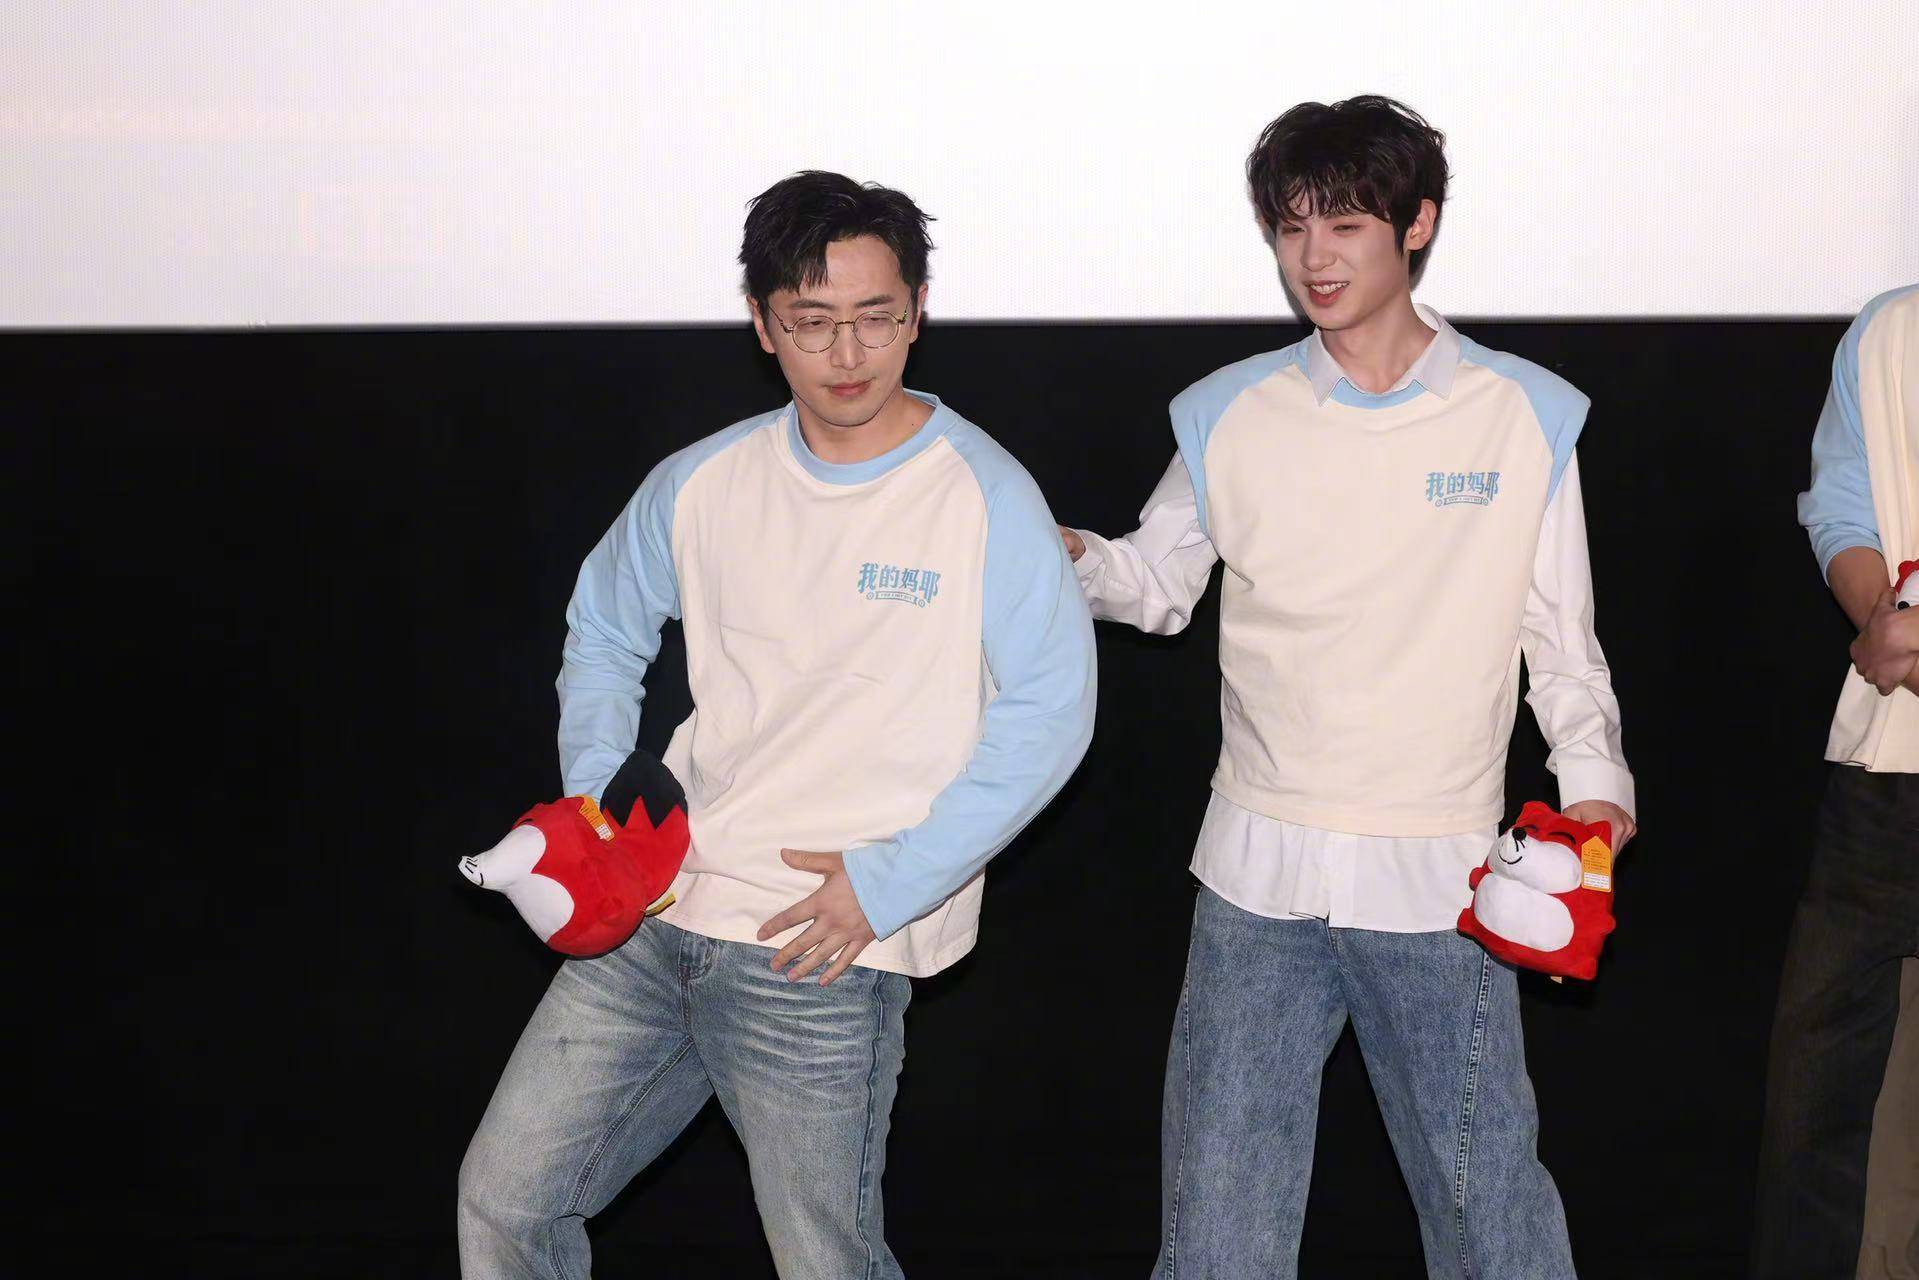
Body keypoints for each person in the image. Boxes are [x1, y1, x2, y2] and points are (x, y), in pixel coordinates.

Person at [457, 170, 1097, 1279]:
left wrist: (890, 883)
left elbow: (1051, 711)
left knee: (823, 1259)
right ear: (762, 323)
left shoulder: (982, 493)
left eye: (875, 318)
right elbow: (602, 625)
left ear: (918, 311)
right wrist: (607, 815)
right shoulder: (703, 479)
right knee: (506, 1201)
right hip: (659, 915)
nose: (847, 353)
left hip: (820, 948)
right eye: (811, 321)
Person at [1058, 96, 1636, 1278]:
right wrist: (1058, 556)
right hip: (1253, 875)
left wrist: (1595, 785)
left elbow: (1560, 637)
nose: (1312, 257)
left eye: (1344, 224)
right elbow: (1154, 584)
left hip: (1439, 875)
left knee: (1488, 1218)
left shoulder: (1522, 412)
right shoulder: (1226, 411)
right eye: (1289, 227)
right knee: (1216, 1235)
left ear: (1416, 225)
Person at [1755, 282, 1919, 1280]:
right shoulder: (1890, 329)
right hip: (1889, 768)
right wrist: (1882, 625)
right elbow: (1840, 503)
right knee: (1818, 1083)